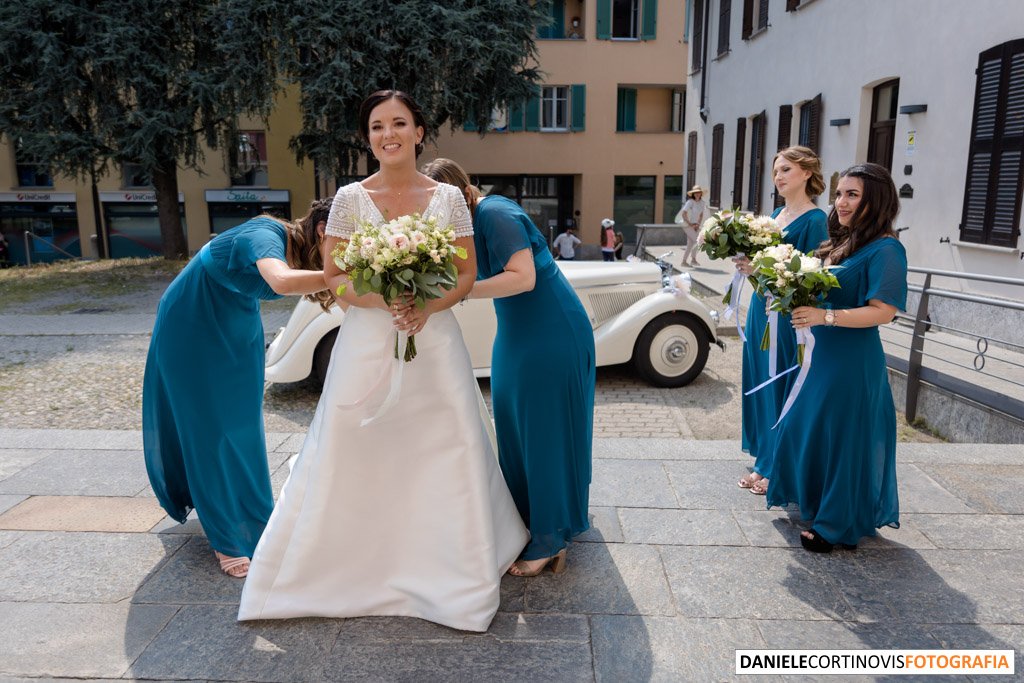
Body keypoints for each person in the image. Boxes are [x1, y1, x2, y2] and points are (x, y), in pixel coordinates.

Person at [238, 91, 528, 631]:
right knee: (357, 443)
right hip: (367, 342)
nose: (387, 134)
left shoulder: (447, 199)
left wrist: (425, 305)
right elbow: (338, 276)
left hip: (433, 343)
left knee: (442, 445)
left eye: (399, 123)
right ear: (367, 136)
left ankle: (451, 570)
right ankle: (345, 567)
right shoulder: (349, 198)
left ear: (419, 132)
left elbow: (464, 274)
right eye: (377, 126)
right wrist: (387, 303)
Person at [423, 158, 595, 577]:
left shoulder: (495, 213)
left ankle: (550, 538)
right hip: (518, 332)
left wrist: (456, 293)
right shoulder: (465, 224)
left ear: (457, 193)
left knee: (541, 431)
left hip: (549, 330)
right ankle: (533, 518)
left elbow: (523, 277)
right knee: (516, 426)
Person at [142, 199, 333, 578]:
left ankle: (255, 519)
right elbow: (279, 281)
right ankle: (227, 537)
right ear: (324, 231)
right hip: (191, 325)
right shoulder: (263, 236)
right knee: (208, 432)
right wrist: (345, 273)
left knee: (243, 429)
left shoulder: (298, 249)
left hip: (236, 328)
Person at [766, 163, 907, 552]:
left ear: (875, 200)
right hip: (821, 354)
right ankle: (813, 500)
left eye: (852, 195)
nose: (841, 202)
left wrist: (824, 316)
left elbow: (883, 311)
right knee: (807, 425)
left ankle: (836, 524)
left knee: (844, 438)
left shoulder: (887, 249)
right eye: (839, 193)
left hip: (852, 359)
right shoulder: (845, 243)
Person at [735, 146, 829, 496]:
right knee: (760, 377)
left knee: (781, 381)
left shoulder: (816, 219)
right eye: (776, 171)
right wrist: (748, 266)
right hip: (762, 306)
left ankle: (779, 467)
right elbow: (767, 265)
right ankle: (764, 456)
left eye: (786, 169)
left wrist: (762, 269)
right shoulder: (776, 213)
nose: (778, 176)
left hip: (787, 315)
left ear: (806, 173)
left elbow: (809, 273)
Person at [674, 184, 708, 267]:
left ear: (701, 193)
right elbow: (683, 214)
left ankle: (686, 261)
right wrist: (691, 224)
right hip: (687, 225)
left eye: (698, 192)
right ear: (693, 194)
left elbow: (701, 215)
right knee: (697, 241)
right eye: (695, 192)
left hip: (696, 225)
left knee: (690, 244)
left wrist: (697, 224)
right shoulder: (690, 202)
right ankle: (692, 259)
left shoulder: (702, 203)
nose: (697, 194)